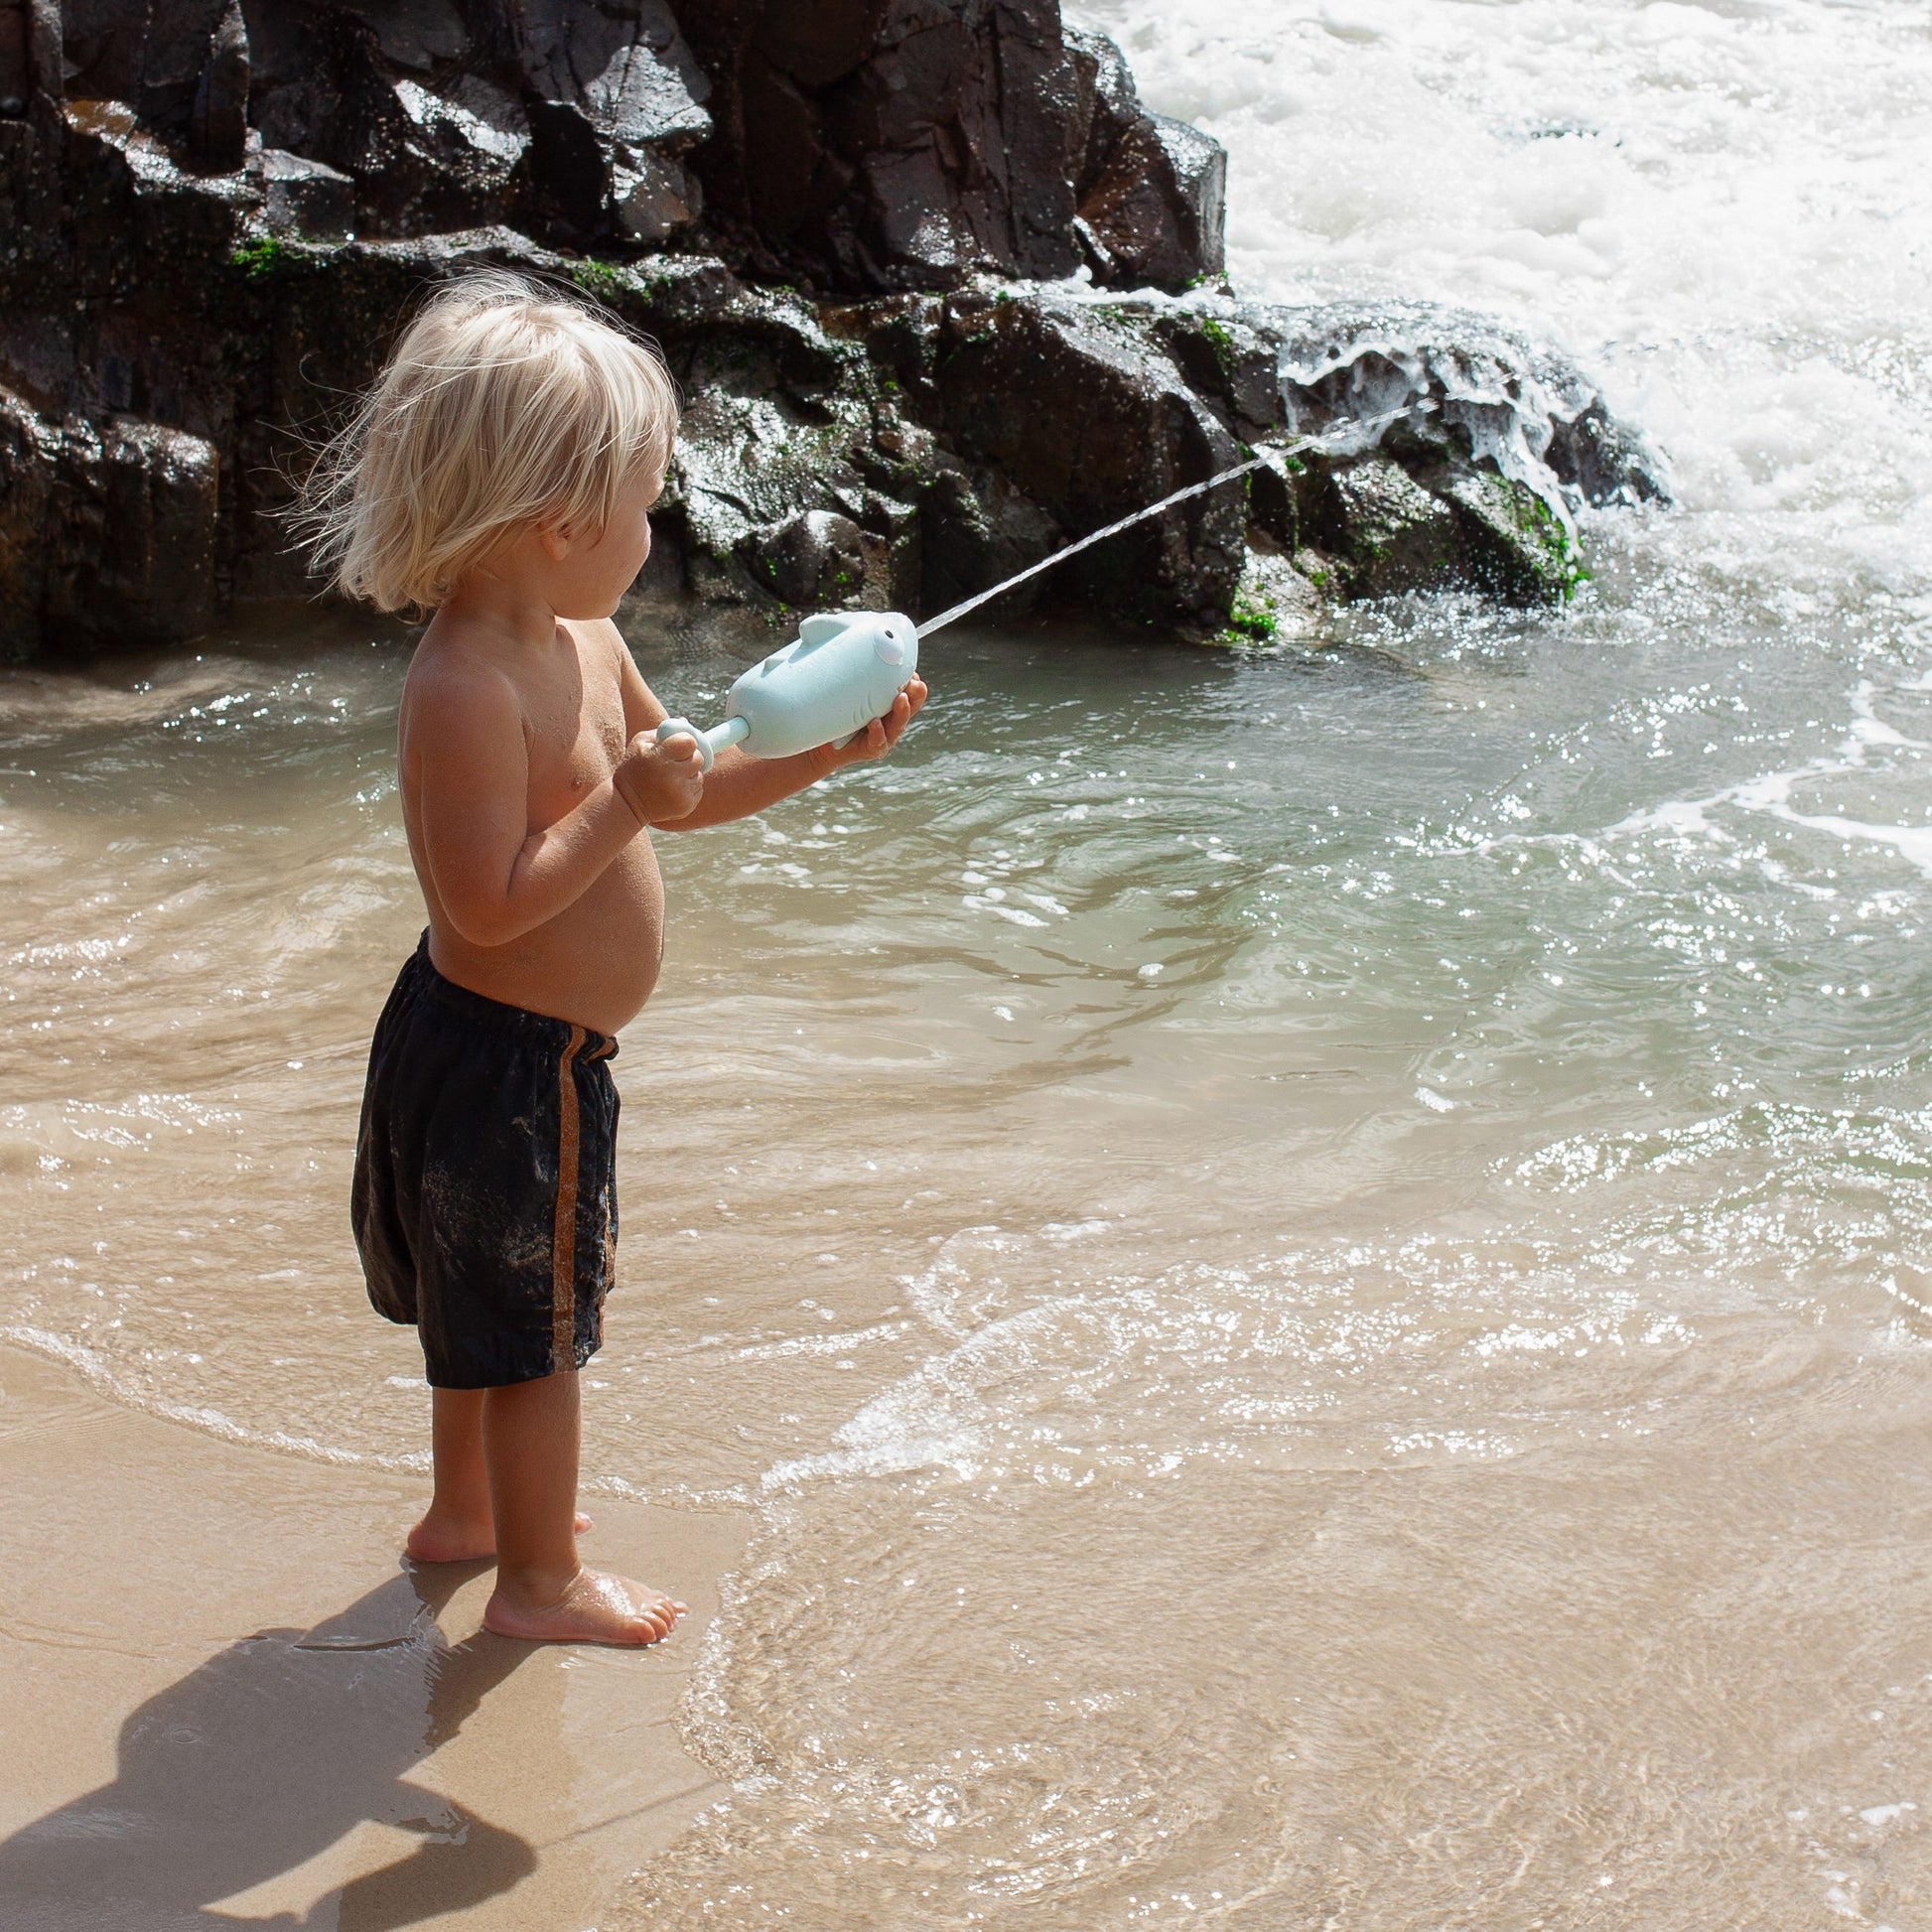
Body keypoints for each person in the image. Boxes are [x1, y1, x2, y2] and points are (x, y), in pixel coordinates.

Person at [301, 271, 926, 1646]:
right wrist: (623, 804)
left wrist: (825, 752)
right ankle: (537, 1583)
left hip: (512, 1052)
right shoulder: (465, 684)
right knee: (534, 1329)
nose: (654, 533)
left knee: (484, 1300)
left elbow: (685, 790)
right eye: (644, 505)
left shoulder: (580, 635)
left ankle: (467, 1513)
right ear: (558, 522)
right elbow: (485, 906)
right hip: (505, 1061)